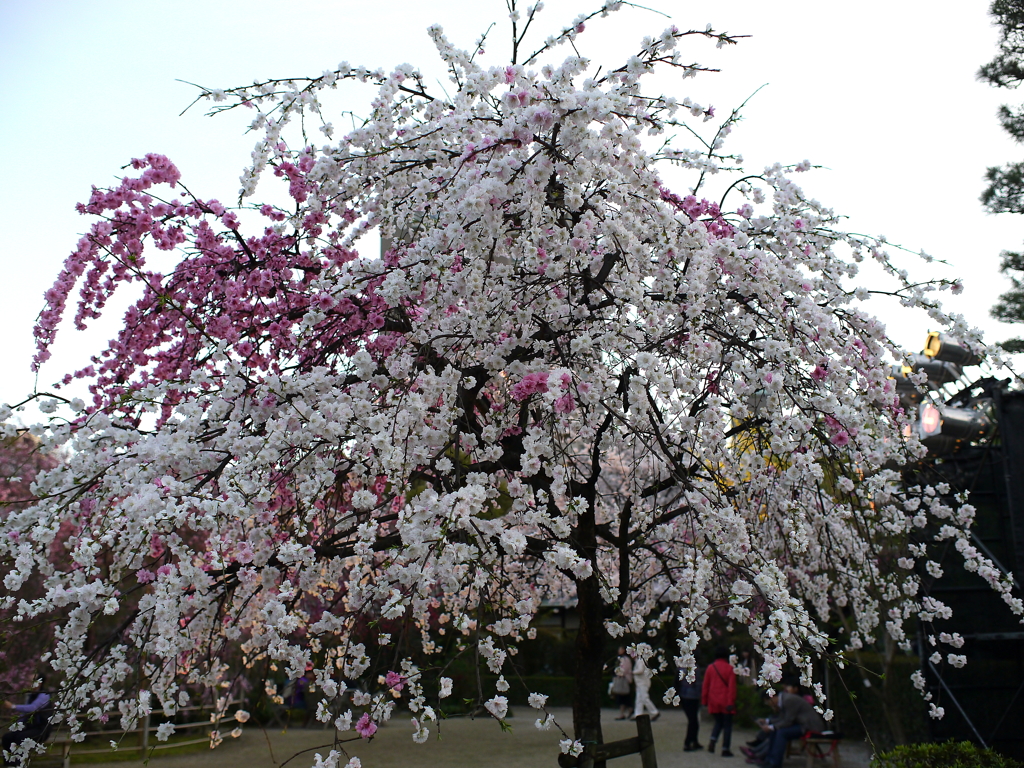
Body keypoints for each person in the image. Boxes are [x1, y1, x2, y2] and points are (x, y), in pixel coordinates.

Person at [753, 688, 827, 768]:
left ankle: (775, 762)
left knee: (782, 733)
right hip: (801, 724)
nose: (767, 704)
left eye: (767, 701)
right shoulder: (784, 700)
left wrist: (771, 727)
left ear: (772, 698)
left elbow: (788, 721)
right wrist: (768, 723)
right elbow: (782, 719)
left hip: (809, 726)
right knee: (775, 730)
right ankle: (769, 760)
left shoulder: (789, 700)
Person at [2, 677, 54, 766]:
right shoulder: (30, 695)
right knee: (7, 737)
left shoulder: (44, 695)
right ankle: (10, 764)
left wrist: (13, 706)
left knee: (20, 738)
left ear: (39, 682)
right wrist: (16, 724)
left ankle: (19, 764)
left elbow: (33, 708)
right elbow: (25, 714)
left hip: (41, 729)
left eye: (32, 680)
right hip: (29, 728)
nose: (28, 682)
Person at [701, 647, 736, 757]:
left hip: (714, 700)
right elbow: (732, 688)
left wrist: (704, 700)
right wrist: (731, 702)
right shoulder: (730, 669)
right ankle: (725, 748)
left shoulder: (710, 668)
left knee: (718, 722)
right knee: (727, 726)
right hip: (726, 701)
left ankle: (712, 741)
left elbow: (705, 685)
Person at [676, 665, 703, 751]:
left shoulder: (681, 669)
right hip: (691, 696)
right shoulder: (693, 669)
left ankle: (694, 741)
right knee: (693, 721)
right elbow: (698, 684)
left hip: (686, 696)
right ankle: (687, 743)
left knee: (694, 721)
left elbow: (676, 682)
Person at [631, 653, 660, 721]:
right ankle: (638, 715)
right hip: (640, 683)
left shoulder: (640, 660)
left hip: (643, 683)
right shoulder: (639, 660)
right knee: (639, 700)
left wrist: (632, 672)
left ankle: (655, 712)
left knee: (644, 698)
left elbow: (640, 670)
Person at [611, 647, 634, 720]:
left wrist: (619, 673)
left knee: (624, 696)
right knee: (622, 697)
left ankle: (627, 711)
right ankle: (624, 712)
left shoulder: (625, 659)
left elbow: (625, 670)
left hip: (624, 680)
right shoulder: (620, 659)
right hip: (621, 679)